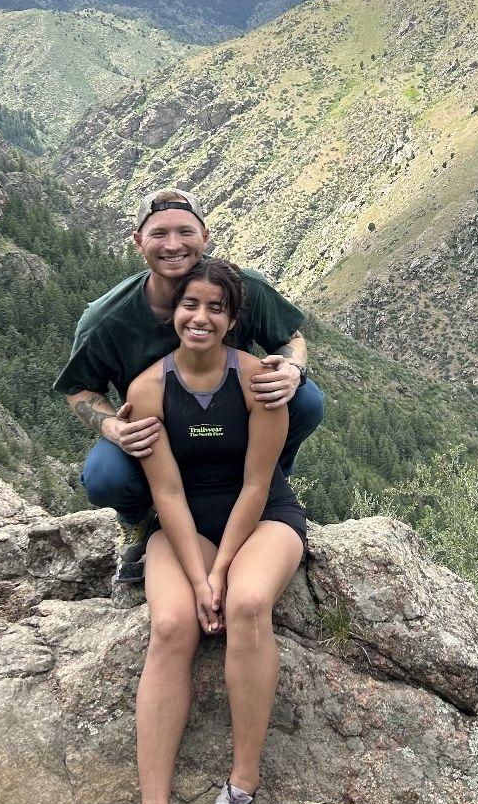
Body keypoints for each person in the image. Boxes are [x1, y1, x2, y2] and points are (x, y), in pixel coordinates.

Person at [125, 258, 306, 804]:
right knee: (172, 624)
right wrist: (198, 576)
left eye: (216, 309)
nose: (200, 318)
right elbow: (167, 491)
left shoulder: (262, 384)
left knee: (249, 603)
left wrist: (222, 573)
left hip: (260, 520)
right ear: (175, 312)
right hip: (182, 524)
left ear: (233, 321)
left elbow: (259, 484)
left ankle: (240, 788)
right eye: (190, 305)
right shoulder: (149, 389)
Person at [53, 188, 324, 587]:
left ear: (205, 236)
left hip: (235, 422)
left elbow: (292, 337)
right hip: (157, 431)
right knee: (104, 475)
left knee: (304, 399)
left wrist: (293, 368)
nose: (174, 245)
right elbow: (79, 389)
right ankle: (141, 520)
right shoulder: (107, 319)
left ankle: (266, 483)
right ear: (138, 241)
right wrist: (114, 428)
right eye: (159, 233)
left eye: (185, 232)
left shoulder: (239, 288)